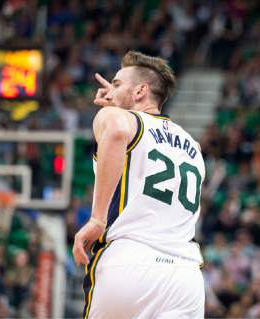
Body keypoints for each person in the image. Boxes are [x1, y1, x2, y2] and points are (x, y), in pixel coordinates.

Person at [72, 51, 206, 318]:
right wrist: (123, 97)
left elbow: (117, 129)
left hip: (130, 259)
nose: (110, 91)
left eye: (117, 84)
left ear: (141, 91)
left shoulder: (118, 119)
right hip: (185, 276)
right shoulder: (194, 146)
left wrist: (97, 219)